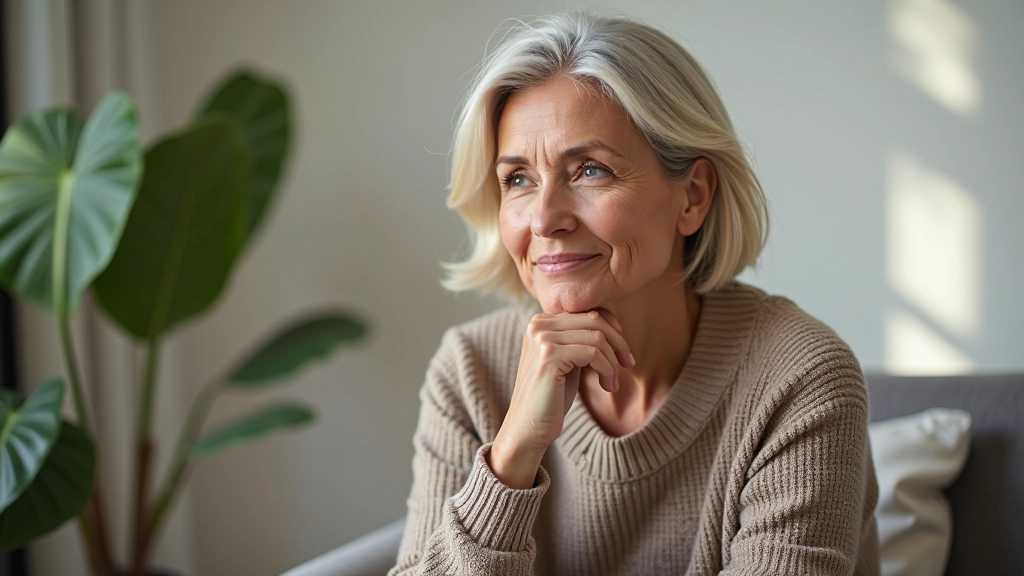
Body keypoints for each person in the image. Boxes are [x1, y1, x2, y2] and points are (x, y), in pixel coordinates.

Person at [390, 12, 878, 576]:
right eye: (518, 179)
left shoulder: (800, 378)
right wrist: (512, 455)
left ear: (692, 196)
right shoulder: (471, 371)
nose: (545, 218)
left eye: (590, 170)